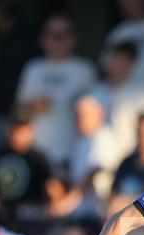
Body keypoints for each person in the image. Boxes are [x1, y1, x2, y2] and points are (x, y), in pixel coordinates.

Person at [15, 13, 95, 171]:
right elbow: (17, 111)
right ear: (42, 39)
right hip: (36, 154)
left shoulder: (85, 70)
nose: (58, 40)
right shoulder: (33, 69)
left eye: (63, 34)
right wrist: (31, 107)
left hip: (71, 153)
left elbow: (94, 114)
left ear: (73, 38)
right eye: (52, 34)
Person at [92, 41, 144, 160]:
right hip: (99, 160)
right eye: (114, 58)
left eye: (122, 60)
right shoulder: (96, 92)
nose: (116, 63)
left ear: (131, 64)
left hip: (129, 161)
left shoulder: (142, 95)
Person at [0, 107, 55, 222]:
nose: (16, 134)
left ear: (31, 130)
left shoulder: (39, 160)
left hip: (30, 221)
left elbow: (51, 194)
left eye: (21, 130)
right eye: (13, 128)